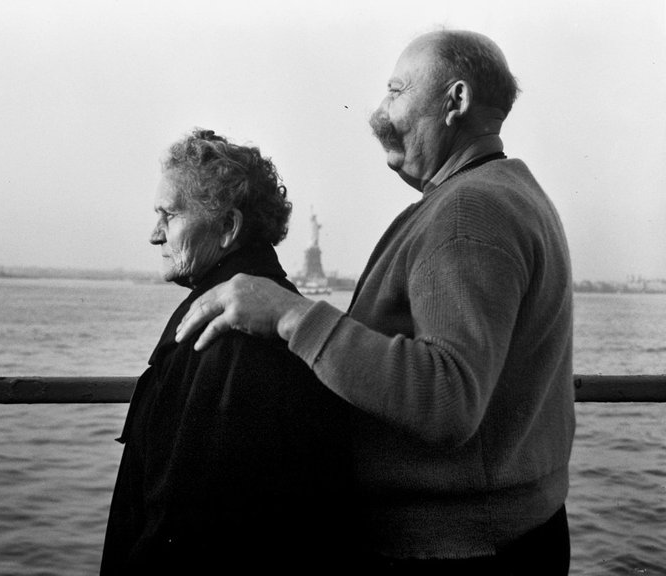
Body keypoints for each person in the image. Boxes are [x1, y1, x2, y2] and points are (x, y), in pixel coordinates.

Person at [175, 30, 576, 575]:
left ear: (455, 101)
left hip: (459, 550)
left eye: (395, 91)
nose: (379, 115)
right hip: (517, 530)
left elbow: (449, 397)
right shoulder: (512, 193)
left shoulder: (467, 213)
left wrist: (291, 315)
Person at [100, 129, 359, 574]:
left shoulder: (226, 332)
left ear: (228, 227)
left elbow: (187, 527)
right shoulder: (260, 304)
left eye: (169, 215)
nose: (154, 235)